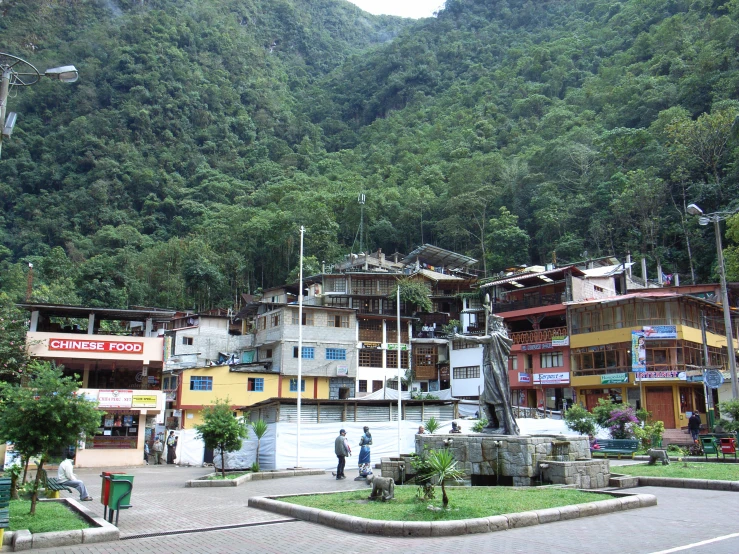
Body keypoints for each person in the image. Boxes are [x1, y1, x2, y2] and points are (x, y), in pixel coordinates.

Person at [452, 296, 520, 435]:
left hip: (495, 370)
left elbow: (479, 339)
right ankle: (492, 423)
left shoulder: (497, 336)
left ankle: (502, 426)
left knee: (496, 397)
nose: (489, 326)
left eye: (491, 324)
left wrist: (461, 337)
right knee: (484, 399)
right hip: (488, 368)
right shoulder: (494, 336)